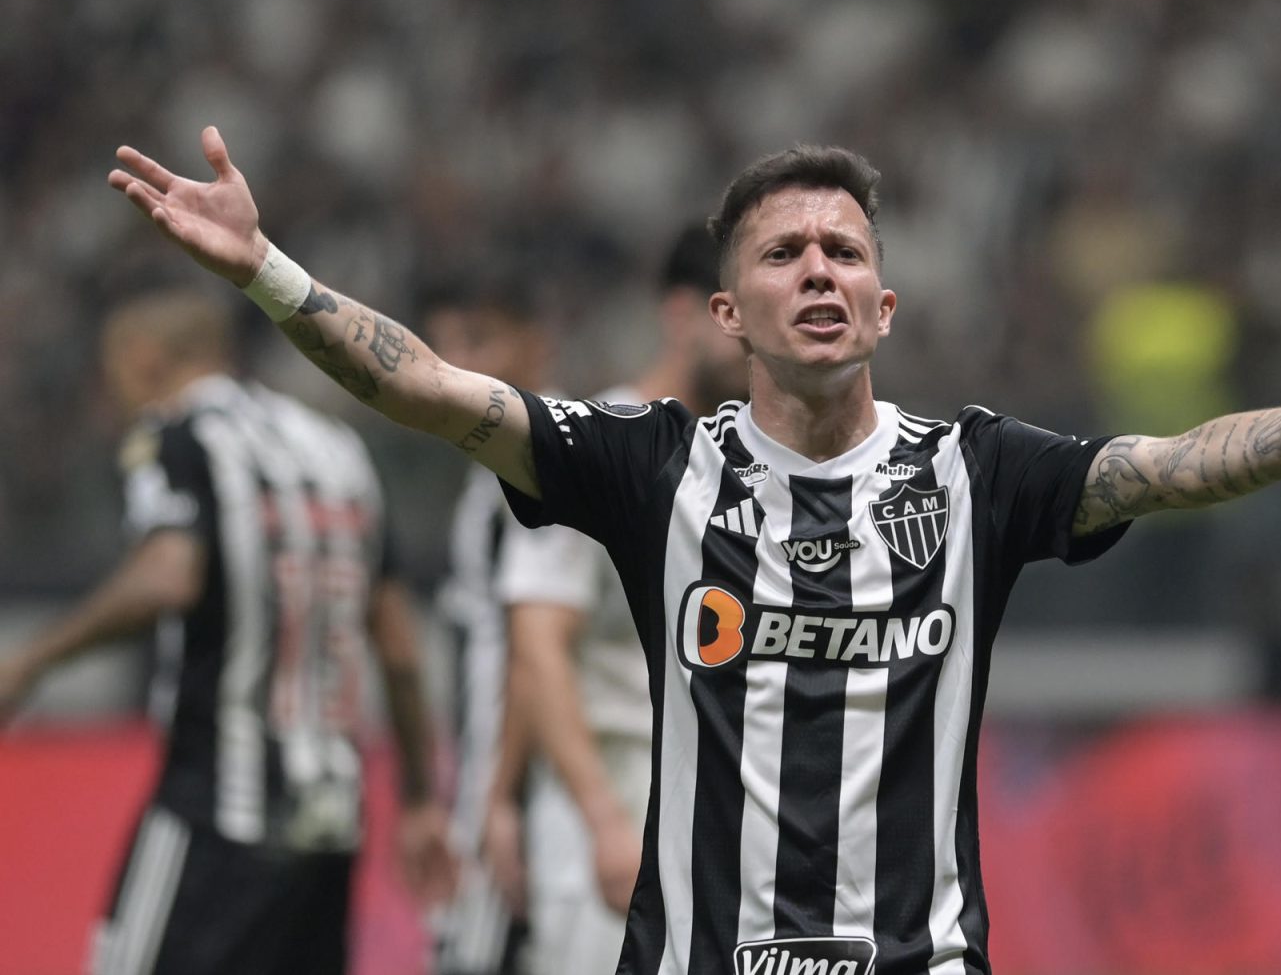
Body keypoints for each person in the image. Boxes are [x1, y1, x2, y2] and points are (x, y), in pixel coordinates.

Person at [108, 129, 1281, 975]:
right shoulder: (653, 465)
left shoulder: (976, 469)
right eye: (785, 253)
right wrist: (265, 271)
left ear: (885, 305)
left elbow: (1175, 467)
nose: (820, 269)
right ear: (731, 307)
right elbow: (426, 384)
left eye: (844, 250)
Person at [0, 286, 457, 975]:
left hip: (216, 811)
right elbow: (398, 649)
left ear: (142, 357)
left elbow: (168, 573)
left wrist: (34, 658)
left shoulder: (176, 434)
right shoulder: (339, 450)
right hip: (328, 822)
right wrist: (420, 799)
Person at [486, 224, 748, 975]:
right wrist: (599, 817)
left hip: (716, 814)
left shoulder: (750, 459)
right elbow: (536, 643)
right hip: (611, 802)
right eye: (737, 325)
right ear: (683, 314)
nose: (757, 350)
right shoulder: (598, 442)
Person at [420, 279, 579, 975]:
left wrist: (499, 800)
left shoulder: (538, 478)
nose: (453, 362)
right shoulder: (485, 485)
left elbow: (534, 650)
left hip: (528, 804)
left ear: (535, 345)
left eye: (477, 339)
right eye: (442, 343)